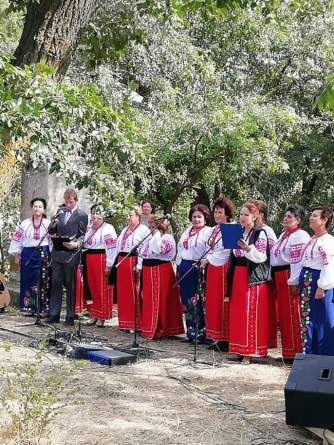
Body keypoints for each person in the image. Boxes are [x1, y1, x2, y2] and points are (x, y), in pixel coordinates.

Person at [227, 202, 270, 364]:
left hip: (251, 277)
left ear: (254, 217)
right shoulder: (237, 233)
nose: (242, 217)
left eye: (246, 215)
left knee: (249, 313)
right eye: (241, 214)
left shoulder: (260, 234)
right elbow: (232, 253)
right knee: (238, 312)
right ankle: (239, 348)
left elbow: (262, 257)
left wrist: (248, 250)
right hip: (237, 275)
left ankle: (249, 352)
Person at [271, 205, 310, 361]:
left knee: (293, 313)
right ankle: (287, 352)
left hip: (289, 274)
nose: (286, 218)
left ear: (298, 220)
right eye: (285, 216)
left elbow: (297, 261)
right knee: (284, 315)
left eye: (290, 217)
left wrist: (294, 281)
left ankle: (296, 352)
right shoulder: (284, 235)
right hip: (280, 275)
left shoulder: (300, 236)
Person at [293, 206, 334, 355]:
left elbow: (328, 264)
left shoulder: (327, 241)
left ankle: (325, 355)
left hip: (318, 282)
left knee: (321, 319)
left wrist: (322, 286)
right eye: (311, 215)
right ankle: (309, 353)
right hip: (308, 281)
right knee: (307, 318)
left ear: (324, 220)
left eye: (315, 216)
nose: (311, 218)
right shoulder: (313, 239)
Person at [45, 188, 88, 326]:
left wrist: (76, 244)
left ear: (76, 201)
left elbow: (82, 235)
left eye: (71, 202)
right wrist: (53, 225)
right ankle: (54, 314)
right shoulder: (60, 212)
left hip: (71, 254)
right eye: (66, 202)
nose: (68, 205)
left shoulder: (81, 215)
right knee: (56, 283)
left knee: (70, 285)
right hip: (58, 253)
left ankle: (70, 315)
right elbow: (52, 231)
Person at [137, 215, 184, 339]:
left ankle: (161, 328)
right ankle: (148, 327)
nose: (152, 230)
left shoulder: (167, 238)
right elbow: (142, 254)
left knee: (161, 299)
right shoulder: (149, 238)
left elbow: (158, 250)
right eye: (151, 227)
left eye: (155, 227)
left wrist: (157, 234)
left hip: (160, 271)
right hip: (148, 271)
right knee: (148, 299)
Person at [200, 195, 235, 348]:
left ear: (227, 214)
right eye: (215, 212)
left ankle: (225, 338)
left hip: (224, 267)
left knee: (222, 302)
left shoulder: (232, 228)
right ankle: (215, 336)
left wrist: (210, 259)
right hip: (212, 267)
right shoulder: (213, 230)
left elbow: (228, 251)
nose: (217, 215)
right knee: (212, 301)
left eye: (220, 212)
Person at [8, 198, 52, 316]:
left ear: (43, 209)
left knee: (44, 281)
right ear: (32, 208)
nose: (37, 208)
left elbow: (51, 241)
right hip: (27, 254)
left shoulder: (48, 224)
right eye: (35, 206)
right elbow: (17, 240)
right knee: (28, 279)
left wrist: (52, 256)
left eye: (40, 206)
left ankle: (43, 310)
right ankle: (30, 308)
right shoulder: (25, 224)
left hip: (43, 254)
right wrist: (17, 256)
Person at [176, 204, 212, 342]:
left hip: (198, 267)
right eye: (194, 217)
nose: (196, 219)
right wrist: (178, 267)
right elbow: (180, 249)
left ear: (205, 218)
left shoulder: (208, 231)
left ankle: (202, 333)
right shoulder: (187, 230)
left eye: (199, 217)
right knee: (187, 300)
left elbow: (209, 250)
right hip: (184, 266)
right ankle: (191, 332)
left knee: (198, 300)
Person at [81, 204, 118, 328]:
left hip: (101, 258)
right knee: (90, 287)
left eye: (97, 213)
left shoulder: (108, 228)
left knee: (101, 287)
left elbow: (112, 247)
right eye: (93, 213)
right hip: (89, 258)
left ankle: (102, 315)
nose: (95, 215)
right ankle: (93, 313)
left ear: (102, 215)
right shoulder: (89, 228)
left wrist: (109, 264)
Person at [116, 206, 150, 330]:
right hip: (122, 262)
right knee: (124, 293)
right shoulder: (125, 229)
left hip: (134, 262)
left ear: (138, 216)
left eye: (130, 215)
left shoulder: (143, 230)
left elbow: (145, 248)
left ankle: (136, 323)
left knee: (134, 292)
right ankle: (125, 322)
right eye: (127, 216)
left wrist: (139, 265)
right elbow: (118, 246)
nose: (128, 218)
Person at [250, 199, 278, 349]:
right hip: (250, 274)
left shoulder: (267, 231)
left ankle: (264, 342)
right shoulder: (248, 231)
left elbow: (272, 254)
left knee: (263, 311)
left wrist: (268, 274)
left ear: (260, 214)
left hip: (263, 276)